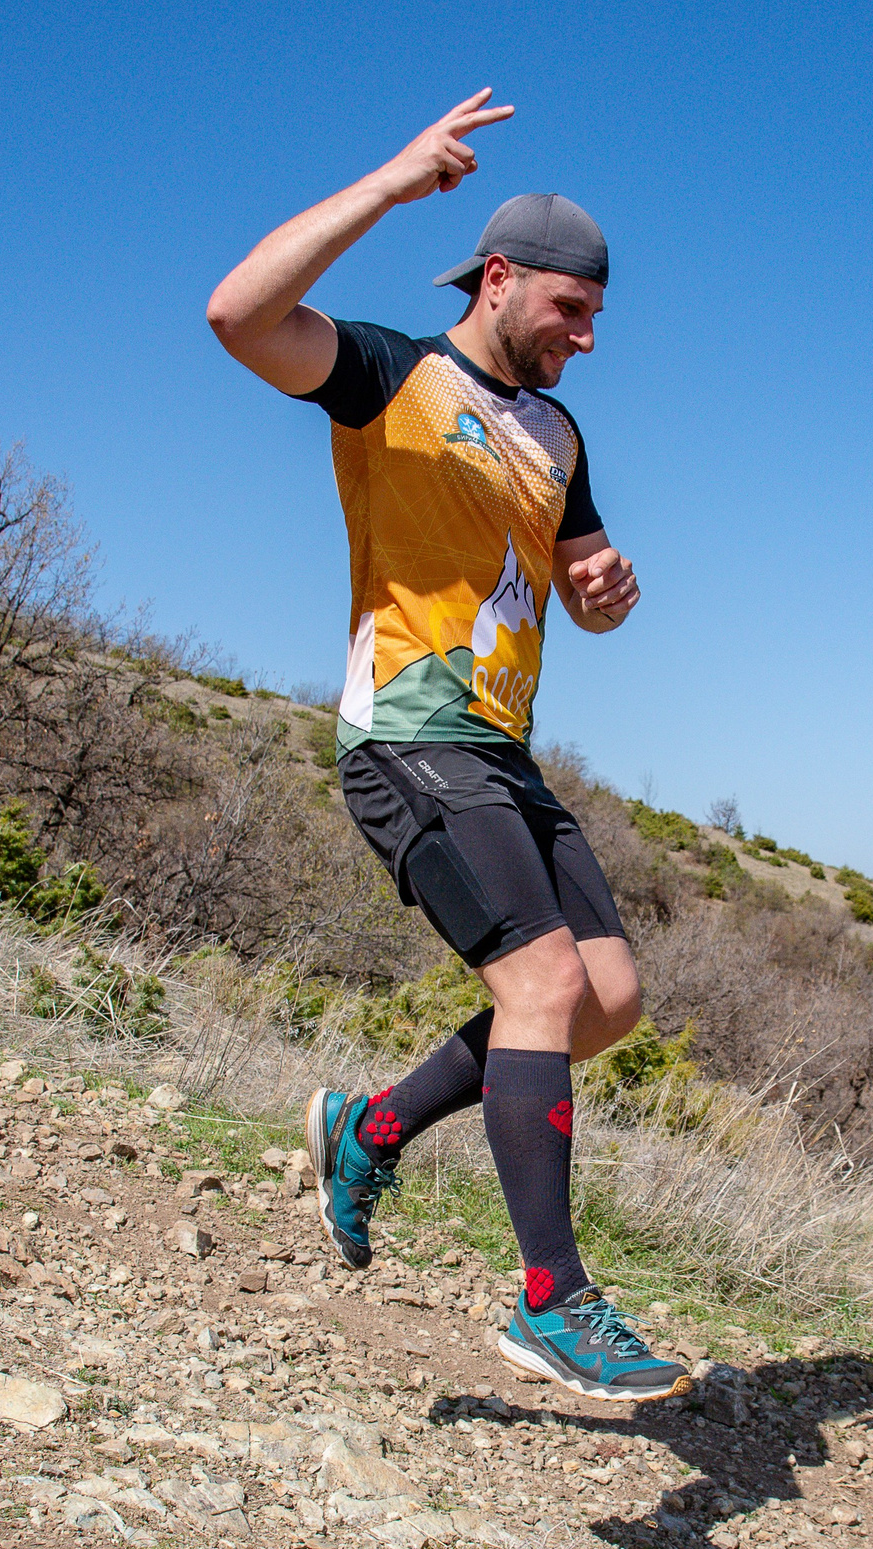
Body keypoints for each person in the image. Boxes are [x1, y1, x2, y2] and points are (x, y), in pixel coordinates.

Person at [206, 91, 687, 1403]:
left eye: (596, 316)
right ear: (499, 277)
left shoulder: (561, 435)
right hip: (408, 740)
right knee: (539, 985)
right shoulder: (390, 377)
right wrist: (393, 179)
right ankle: (552, 1297)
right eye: (569, 312)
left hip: (506, 757)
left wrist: (602, 590)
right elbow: (238, 314)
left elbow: (576, 569)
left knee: (608, 999)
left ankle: (367, 1128)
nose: (588, 337)